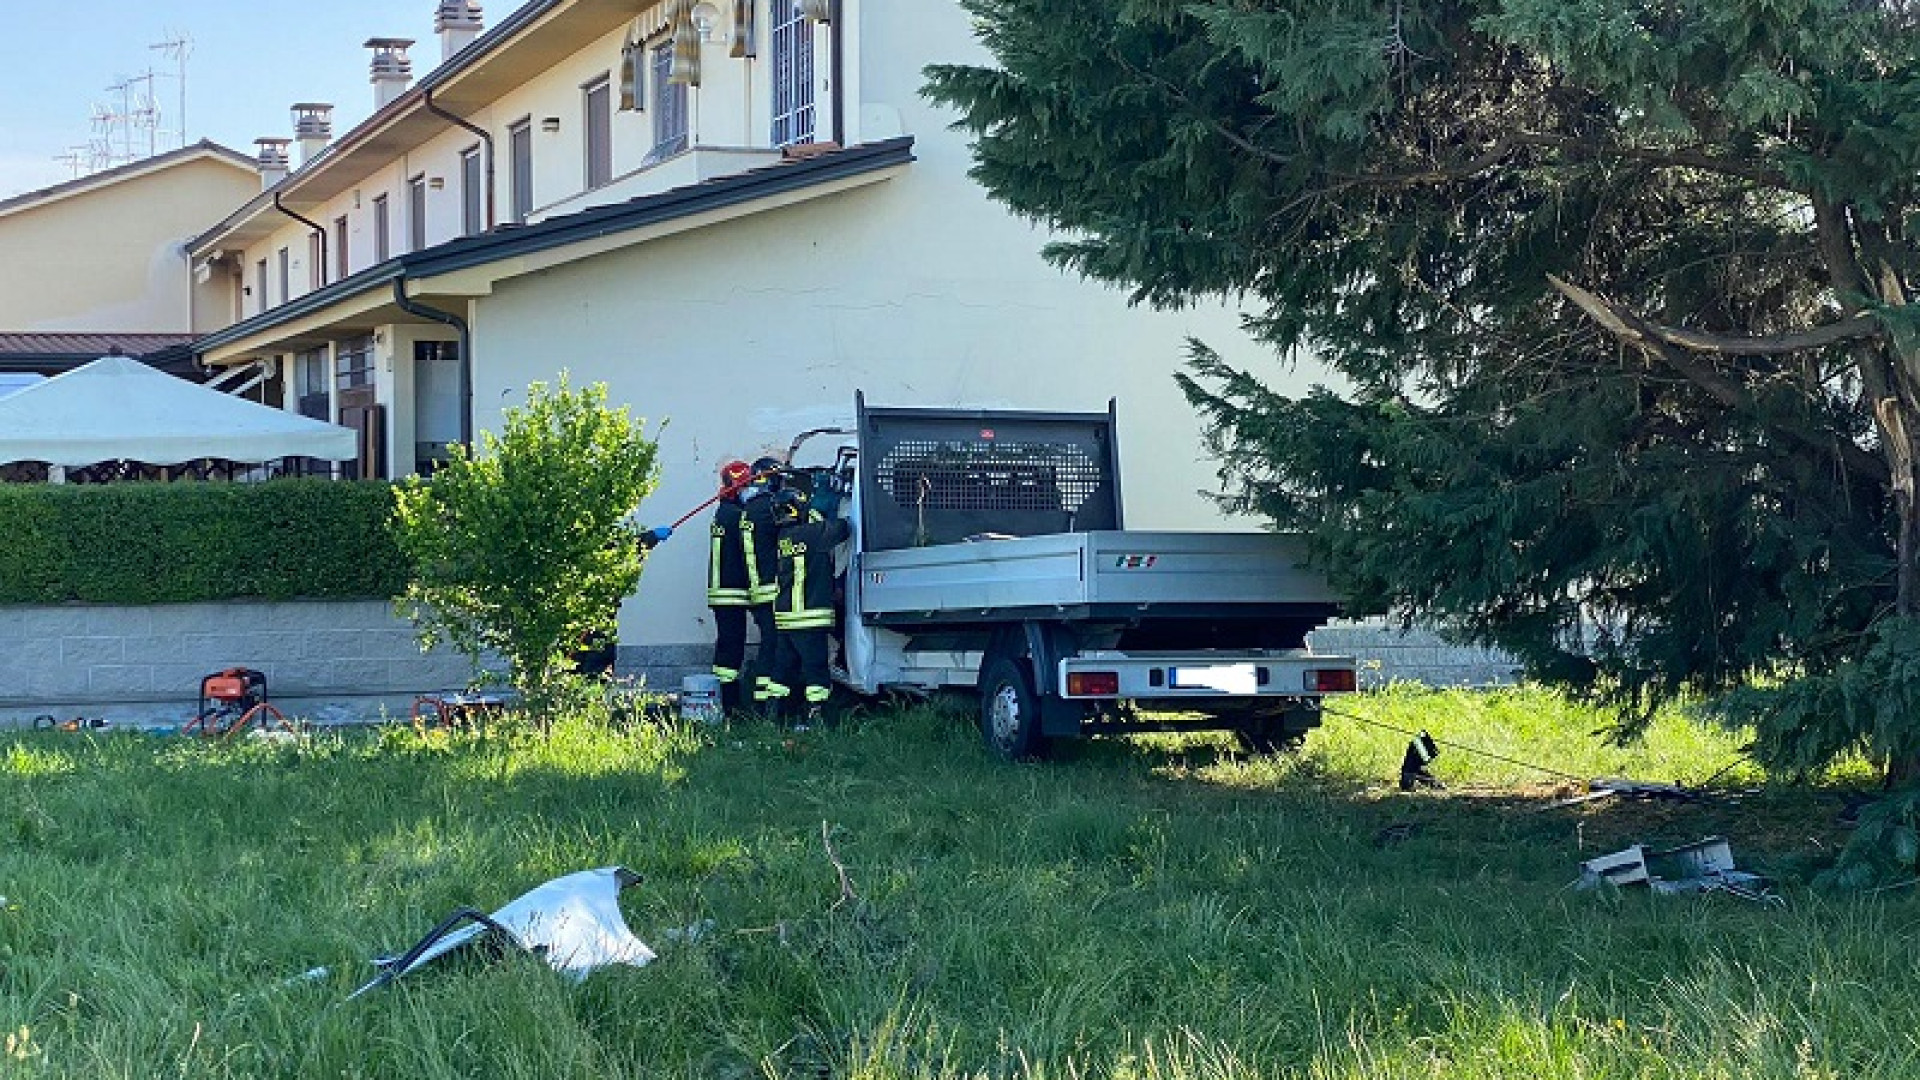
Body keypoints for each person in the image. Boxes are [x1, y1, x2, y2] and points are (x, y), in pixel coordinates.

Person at [765, 469, 851, 723]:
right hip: (809, 617)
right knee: (816, 672)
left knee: (781, 671)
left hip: (786, 618)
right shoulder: (811, 534)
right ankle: (817, 719)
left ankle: (772, 716)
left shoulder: (783, 538)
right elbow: (843, 528)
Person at [705, 460, 758, 710]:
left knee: (728, 644)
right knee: (732, 646)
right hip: (733, 591)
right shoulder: (737, 516)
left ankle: (724, 702)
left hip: (723, 591)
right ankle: (730, 705)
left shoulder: (723, 512)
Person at [741, 457, 784, 710]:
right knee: (775, 648)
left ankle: (762, 702)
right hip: (772, 590)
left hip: (758, 591)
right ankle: (769, 707)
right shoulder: (769, 508)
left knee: (769, 645)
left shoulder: (750, 508)